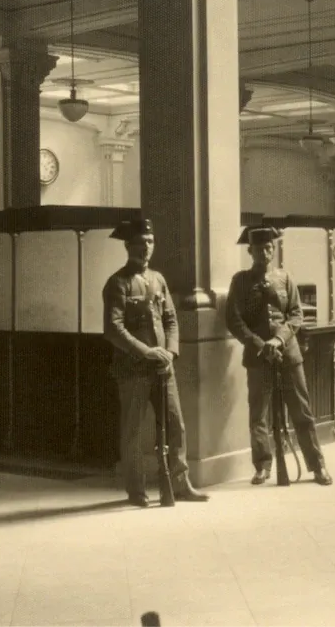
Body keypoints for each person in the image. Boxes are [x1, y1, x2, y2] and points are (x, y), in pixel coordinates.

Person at [102, 217, 209, 507]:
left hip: (163, 368)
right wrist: (146, 351)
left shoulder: (158, 279)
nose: (145, 248)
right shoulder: (118, 283)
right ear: (128, 246)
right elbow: (113, 329)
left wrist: (170, 352)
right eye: (139, 243)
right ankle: (136, 490)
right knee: (134, 431)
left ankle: (180, 483)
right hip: (133, 369)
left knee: (176, 425)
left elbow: (171, 320)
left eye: (149, 242)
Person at [225, 225, 332, 486]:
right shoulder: (240, 281)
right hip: (258, 355)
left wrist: (278, 339)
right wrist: (261, 344)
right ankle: (262, 466)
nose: (265, 251)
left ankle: (317, 466)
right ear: (250, 251)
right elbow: (234, 320)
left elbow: (296, 314)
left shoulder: (285, 278)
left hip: (288, 354)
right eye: (259, 248)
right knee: (258, 414)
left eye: (269, 247)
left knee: (302, 411)